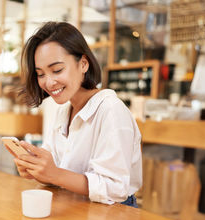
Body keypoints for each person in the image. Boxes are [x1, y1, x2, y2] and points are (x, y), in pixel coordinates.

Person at [13, 21, 142, 206]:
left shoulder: (111, 110)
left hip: (114, 213)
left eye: (57, 70)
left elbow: (114, 188)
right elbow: (57, 172)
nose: (48, 83)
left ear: (83, 64)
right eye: (40, 74)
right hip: (74, 207)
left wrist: (54, 174)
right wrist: (37, 170)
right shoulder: (64, 112)